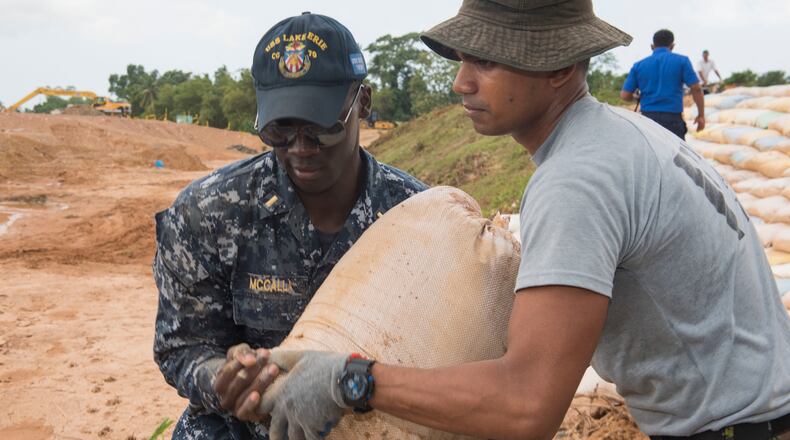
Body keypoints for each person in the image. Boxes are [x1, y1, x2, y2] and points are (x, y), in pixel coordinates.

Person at [250, 1, 790, 439]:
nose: (461, 81)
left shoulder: (577, 180)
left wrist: (350, 380)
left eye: (485, 61)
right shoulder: (626, 137)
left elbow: (526, 407)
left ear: (558, 67)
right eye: (462, 58)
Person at [152, 11, 427, 440]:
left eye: (320, 127)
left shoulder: (415, 217)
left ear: (364, 103)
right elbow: (182, 346)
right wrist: (225, 381)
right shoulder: (209, 212)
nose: (300, 148)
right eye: (280, 129)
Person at [620, 29, 705, 139]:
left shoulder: (639, 65)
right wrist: (701, 115)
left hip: (647, 120)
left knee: (649, 155)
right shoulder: (682, 61)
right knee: (675, 155)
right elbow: (696, 89)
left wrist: (635, 97)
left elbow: (624, 95)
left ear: (652, 46)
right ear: (672, 46)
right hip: (672, 120)